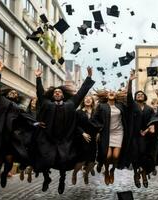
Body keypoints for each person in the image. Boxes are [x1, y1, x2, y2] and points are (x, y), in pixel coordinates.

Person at [33, 66, 95, 194]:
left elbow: (81, 93)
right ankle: (47, 178)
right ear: (52, 95)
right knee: (45, 159)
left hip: (65, 139)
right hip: (49, 138)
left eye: (59, 92)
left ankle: (62, 180)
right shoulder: (47, 104)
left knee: (63, 160)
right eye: (55, 92)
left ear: (63, 95)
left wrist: (89, 77)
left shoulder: (71, 105)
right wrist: (38, 77)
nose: (57, 93)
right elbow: (40, 93)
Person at [0, 61, 37, 195]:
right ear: (7, 94)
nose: (14, 93)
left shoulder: (18, 108)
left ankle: (5, 174)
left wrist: (36, 124)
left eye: (15, 93)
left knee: (9, 161)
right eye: (11, 92)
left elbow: (27, 119)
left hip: (10, 139)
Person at [92, 87, 132, 185]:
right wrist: (100, 129)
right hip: (106, 134)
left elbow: (129, 106)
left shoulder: (121, 106)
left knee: (115, 156)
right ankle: (106, 171)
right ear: (106, 95)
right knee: (108, 155)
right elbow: (94, 119)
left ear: (115, 96)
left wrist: (128, 88)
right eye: (109, 92)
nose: (111, 92)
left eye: (113, 92)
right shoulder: (101, 106)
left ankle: (112, 170)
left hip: (119, 132)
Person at [128, 71, 156, 188]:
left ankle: (144, 174)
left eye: (141, 94)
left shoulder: (149, 109)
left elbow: (153, 121)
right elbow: (128, 96)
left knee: (145, 156)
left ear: (145, 97)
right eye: (137, 94)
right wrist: (130, 81)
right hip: (134, 135)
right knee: (135, 155)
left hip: (146, 136)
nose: (139, 95)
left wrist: (146, 130)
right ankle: (136, 174)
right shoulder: (133, 105)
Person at [72, 95, 98, 185]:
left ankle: (86, 173)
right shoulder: (78, 112)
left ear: (92, 101)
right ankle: (74, 174)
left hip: (93, 138)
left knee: (92, 161)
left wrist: (98, 133)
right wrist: (83, 133)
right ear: (83, 101)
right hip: (81, 138)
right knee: (81, 160)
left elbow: (99, 123)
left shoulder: (96, 112)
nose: (87, 99)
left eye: (89, 98)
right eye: (86, 98)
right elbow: (75, 125)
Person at [19, 97, 38, 183]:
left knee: (34, 154)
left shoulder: (39, 113)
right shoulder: (26, 112)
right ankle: (22, 169)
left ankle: (30, 170)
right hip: (26, 136)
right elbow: (27, 123)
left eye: (36, 102)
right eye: (33, 101)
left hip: (36, 137)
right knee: (24, 154)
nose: (34, 103)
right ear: (30, 102)